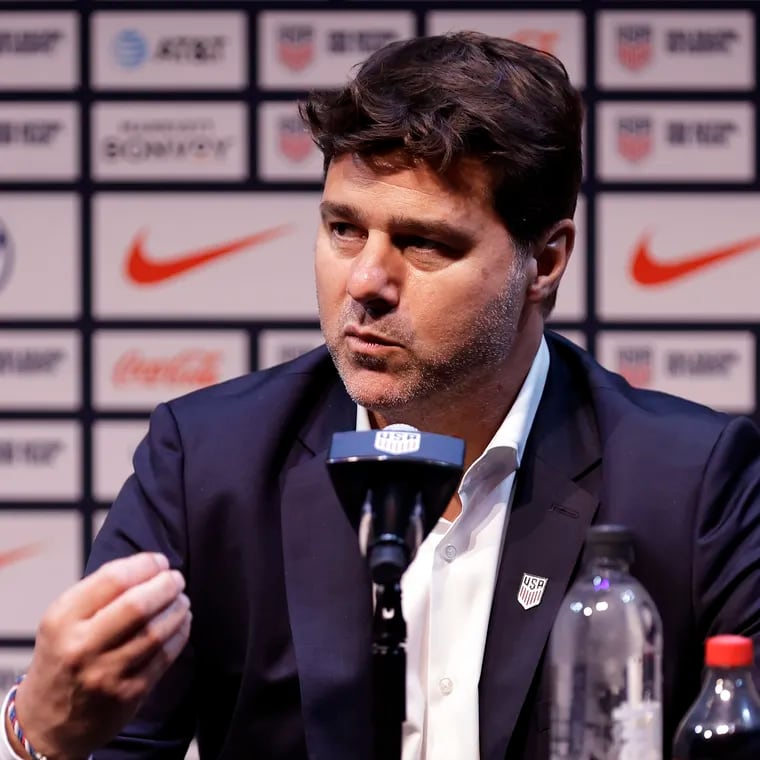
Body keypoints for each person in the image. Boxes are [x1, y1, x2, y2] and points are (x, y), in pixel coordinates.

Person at [4, 30, 760, 760]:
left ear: (547, 260)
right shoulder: (208, 464)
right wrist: (36, 736)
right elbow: (103, 742)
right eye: (343, 229)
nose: (366, 282)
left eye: (424, 243)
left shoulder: (691, 485)